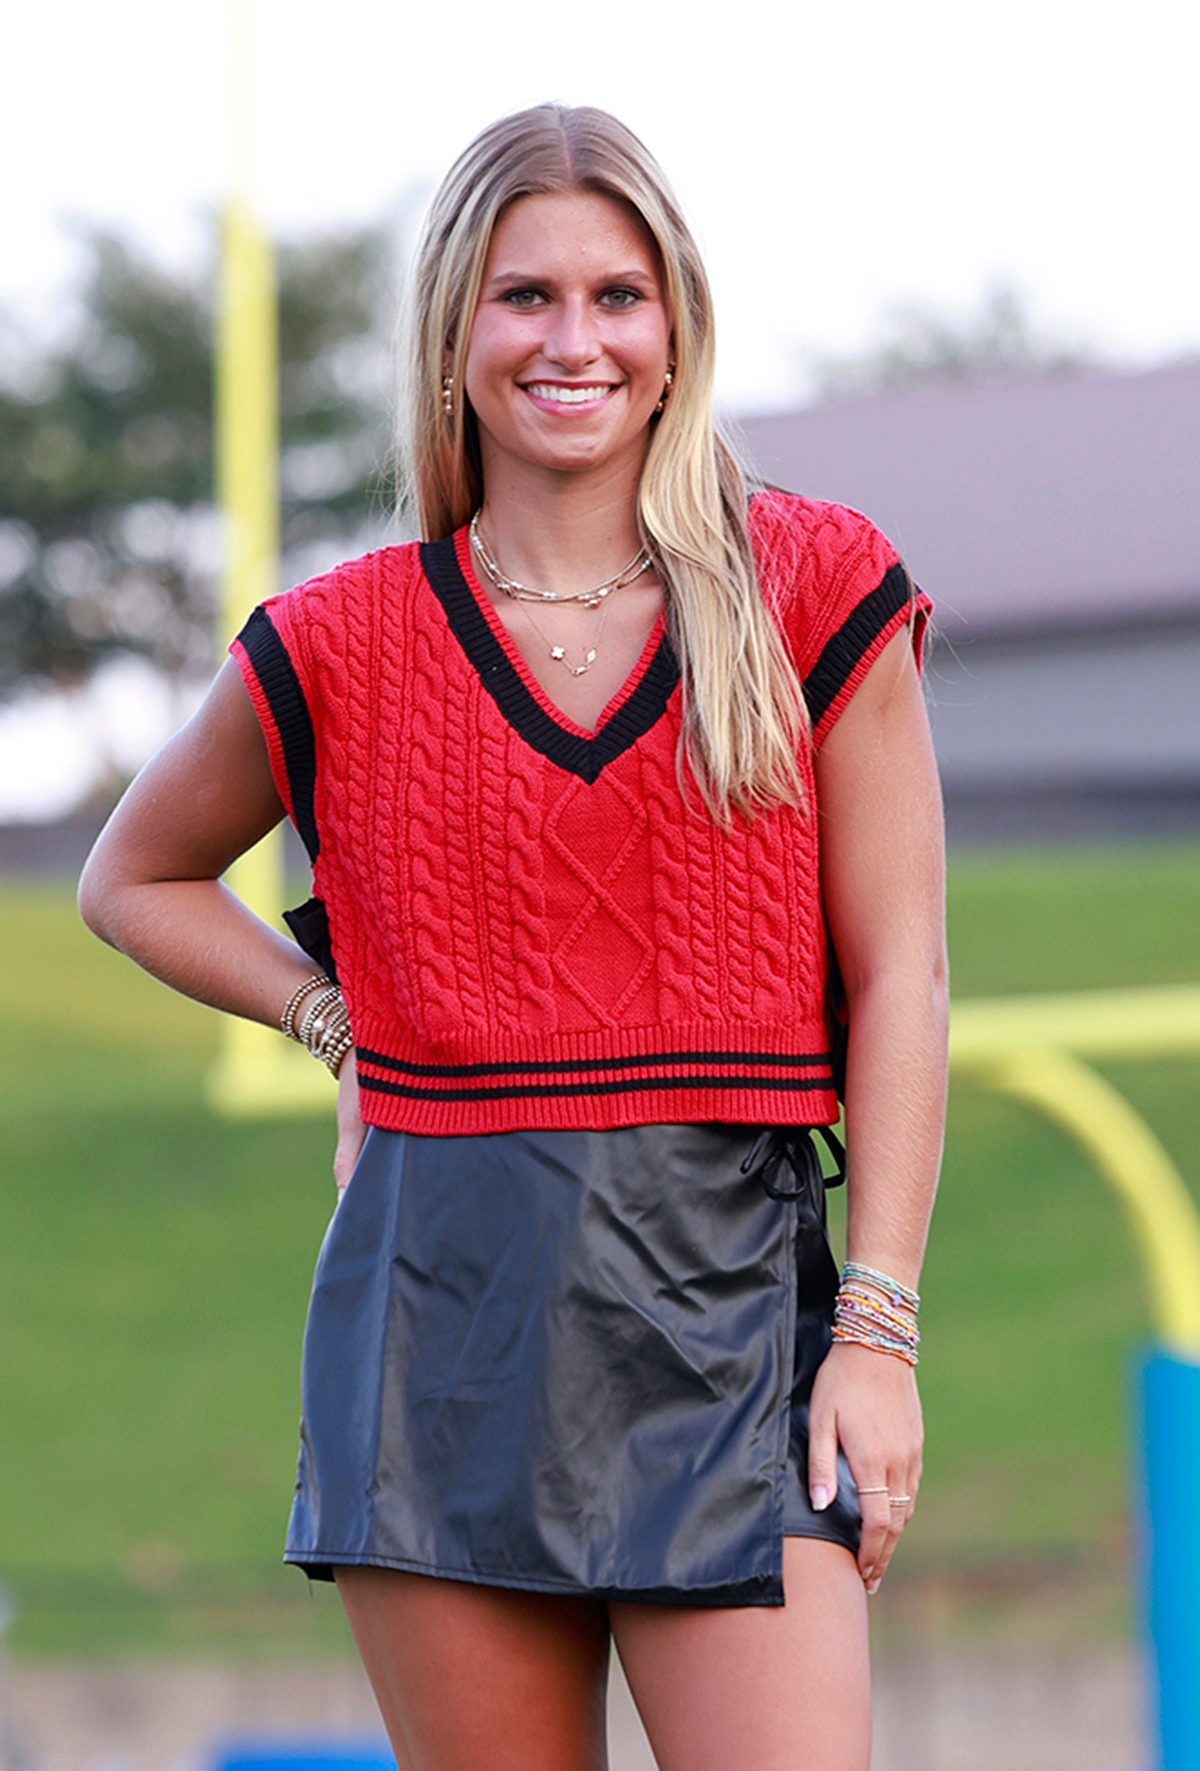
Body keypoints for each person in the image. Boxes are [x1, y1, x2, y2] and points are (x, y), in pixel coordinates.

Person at [79, 103, 947, 1771]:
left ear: (675, 320)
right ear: (454, 331)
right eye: (522, 296)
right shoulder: (337, 639)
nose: (574, 342)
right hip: (436, 1337)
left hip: (733, 1320)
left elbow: (898, 975)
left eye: (617, 295)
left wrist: (880, 1334)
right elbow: (134, 877)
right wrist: (342, 1026)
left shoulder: (814, 587)